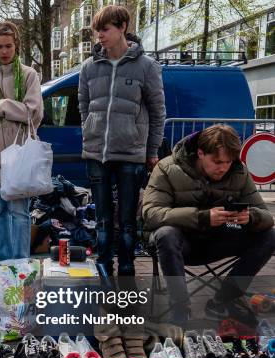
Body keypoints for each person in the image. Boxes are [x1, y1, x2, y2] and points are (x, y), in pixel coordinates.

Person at [142, 124, 275, 320]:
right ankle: (180, 307)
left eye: (228, 161)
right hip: (180, 244)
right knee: (166, 234)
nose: (223, 167)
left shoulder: (239, 171)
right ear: (201, 153)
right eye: (217, 161)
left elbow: (266, 217)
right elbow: (151, 213)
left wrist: (250, 217)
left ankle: (224, 299)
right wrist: (201, 217)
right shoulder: (167, 168)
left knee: (270, 236)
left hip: (219, 239)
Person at [78, 5, 165, 277]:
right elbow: (84, 105)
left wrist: (151, 151)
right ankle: (104, 267)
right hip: (96, 154)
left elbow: (157, 111)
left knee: (127, 220)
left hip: (131, 153)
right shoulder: (89, 67)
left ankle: (127, 270)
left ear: (122, 27)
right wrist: (89, 130)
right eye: (97, 31)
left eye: (105, 30)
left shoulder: (147, 67)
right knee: (102, 219)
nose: (99, 36)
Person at [0, 21, 44, 261]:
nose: (4, 51)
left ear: (17, 47)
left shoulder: (28, 75)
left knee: (19, 212)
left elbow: (34, 113)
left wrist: (4, 106)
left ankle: (21, 263)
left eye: (8, 46)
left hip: (20, 154)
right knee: (0, 211)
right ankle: (5, 262)